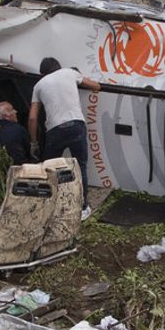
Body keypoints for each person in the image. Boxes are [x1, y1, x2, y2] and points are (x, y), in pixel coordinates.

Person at [28, 57, 101, 214]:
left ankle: (48, 205)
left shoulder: (38, 85)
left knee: (49, 168)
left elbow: (33, 118)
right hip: (76, 126)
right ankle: (82, 207)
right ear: (59, 67)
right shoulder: (70, 73)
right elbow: (96, 86)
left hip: (55, 130)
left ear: (42, 74)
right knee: (80, 166)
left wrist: (33, 143)